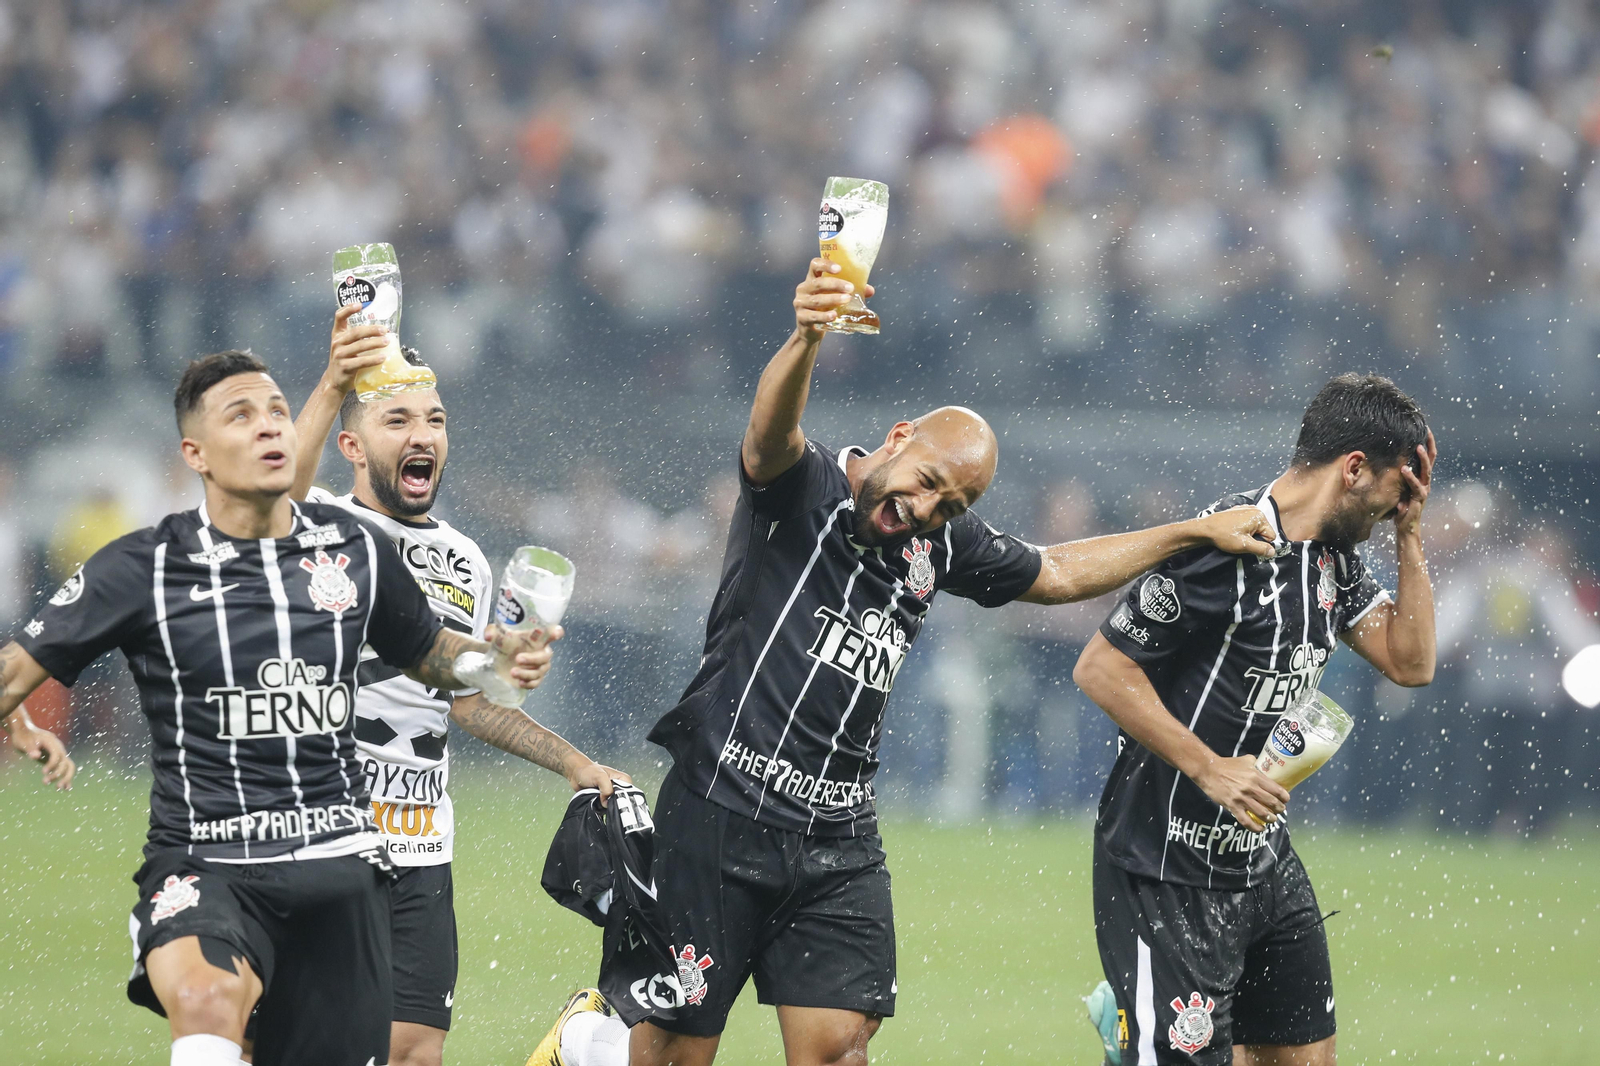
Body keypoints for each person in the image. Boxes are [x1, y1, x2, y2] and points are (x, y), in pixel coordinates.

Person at [529, 258, 1278, 1066]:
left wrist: (1190, 534)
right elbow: (767, 432)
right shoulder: (801, 486)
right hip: (720, 812)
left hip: (837, 832)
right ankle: (595, 1046)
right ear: (897, 438)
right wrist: (809, 334)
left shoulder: (940, 542)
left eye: (950, 505)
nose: (922, 509)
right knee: (675, 1054)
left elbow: (1055, 572)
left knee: (839, 1049)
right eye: (925, 483)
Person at [0, 349, 556, 1066]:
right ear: (195, 453)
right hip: (208, 860)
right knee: (205, 1004)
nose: (268, 427)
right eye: (242, 415)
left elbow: (430, 653)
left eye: (274, 411)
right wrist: (14, 708)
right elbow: (14, 669)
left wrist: (493, 659)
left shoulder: (355, 550)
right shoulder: (142, 567)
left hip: (340, 868)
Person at [291, 305, 631, 1066]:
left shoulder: (468, 561)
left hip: (418, 843)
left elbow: (474, 704)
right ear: (350, 444)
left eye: (436, 420)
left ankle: (572, 1048)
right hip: (317, 834)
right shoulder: (311, 526)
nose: (423, 434)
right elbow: (272, 488)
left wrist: (574, 762)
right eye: (397, 419)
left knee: (414, 1051)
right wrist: (333, 378)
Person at [1074, 373, 1437, 1066]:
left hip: (1261, 860)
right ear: (1354, 469)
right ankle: (1138, 1031)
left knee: (1305, 1059)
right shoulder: (1225, 547)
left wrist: (1412, 536)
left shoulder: (1335, 557)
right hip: (1166, 867)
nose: (1391, 514)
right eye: (1395, 496)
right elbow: (1100, 668)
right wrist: (1210, 768)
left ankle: (1140, 1031)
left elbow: (1409, 661)